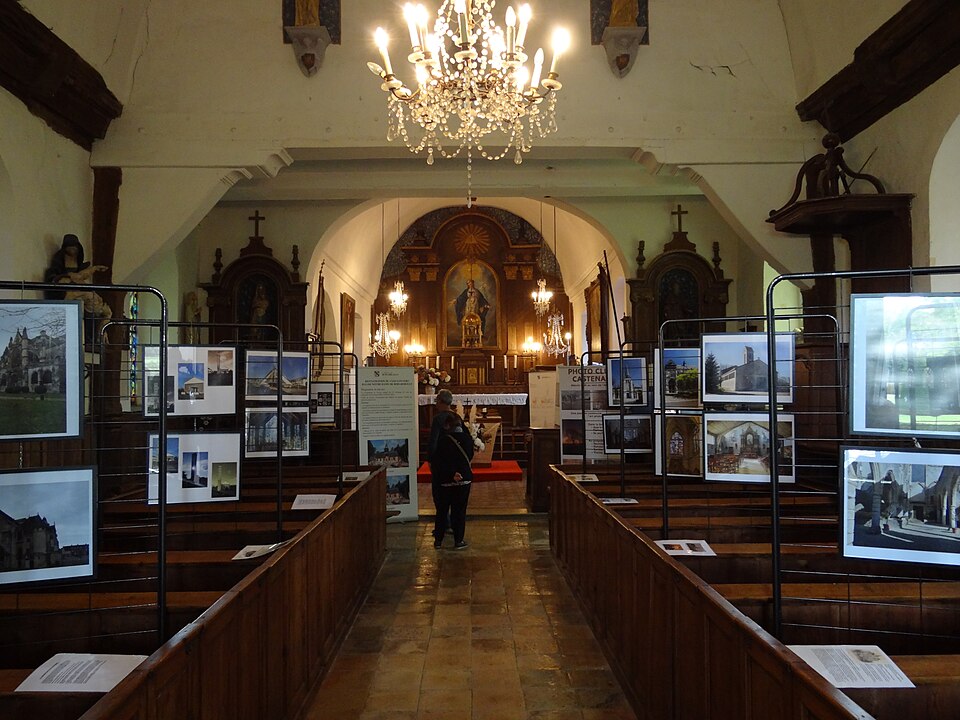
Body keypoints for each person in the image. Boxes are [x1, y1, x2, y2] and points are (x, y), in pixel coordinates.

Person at [428, 388, 474, 549]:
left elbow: (433, 442)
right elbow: (469, 445)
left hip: (443, 468)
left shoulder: (438, 420)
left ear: (441, 402)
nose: (436, 404)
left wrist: (431, 461)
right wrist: (462, 465)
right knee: (459, 507)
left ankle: (439, 537)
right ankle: (457, 537)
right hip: (460, 470)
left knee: (441, 504)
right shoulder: (457, 417)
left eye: (437, 401)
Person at [454, 278, 490, 342]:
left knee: (477, 320)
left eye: (471, 283)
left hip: (475, 306)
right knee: (467, 320)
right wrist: (456, 301)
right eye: (469, 283)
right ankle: (465, 334)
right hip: (468, 306)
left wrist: (485, 304)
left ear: (473, 283)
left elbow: (482, 299)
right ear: (467, 284)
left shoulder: (477, 291)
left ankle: (478, 334)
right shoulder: (466, 291)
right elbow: (461, 298)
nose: (470, 284)